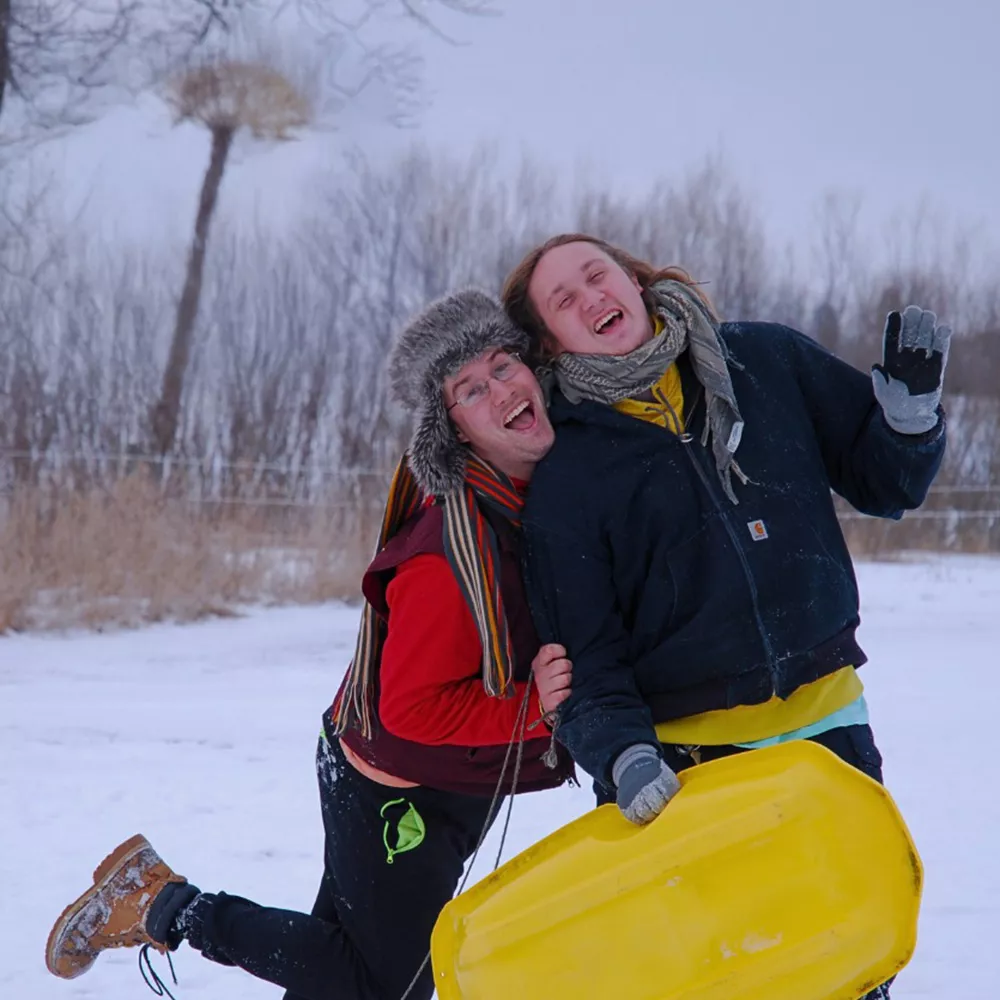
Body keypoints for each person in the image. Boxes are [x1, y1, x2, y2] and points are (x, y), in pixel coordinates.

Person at [44, 290, 575, 1000]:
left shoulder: (528, 494)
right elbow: (410, 711)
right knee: (379, 980)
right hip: (395, 785)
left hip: (451, 777)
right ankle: (159, 902)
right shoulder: (446, 559)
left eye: (504, 364)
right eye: (470, 389)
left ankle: (153, 898)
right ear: (455, 430)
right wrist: (533, 712)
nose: (500, 389)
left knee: (347, 971)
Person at [502, 234, 950, 1000]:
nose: (591, 299)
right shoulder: (570, 478)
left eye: (595, 276)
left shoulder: (764, 362)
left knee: (851, 965)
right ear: (550, 341)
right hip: (689, 774)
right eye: (564, 301)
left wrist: (909, 421)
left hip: (829, 737)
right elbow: (586, 657)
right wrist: (621, 758)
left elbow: (884, 482)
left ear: (634, 280)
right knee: (733, 979)